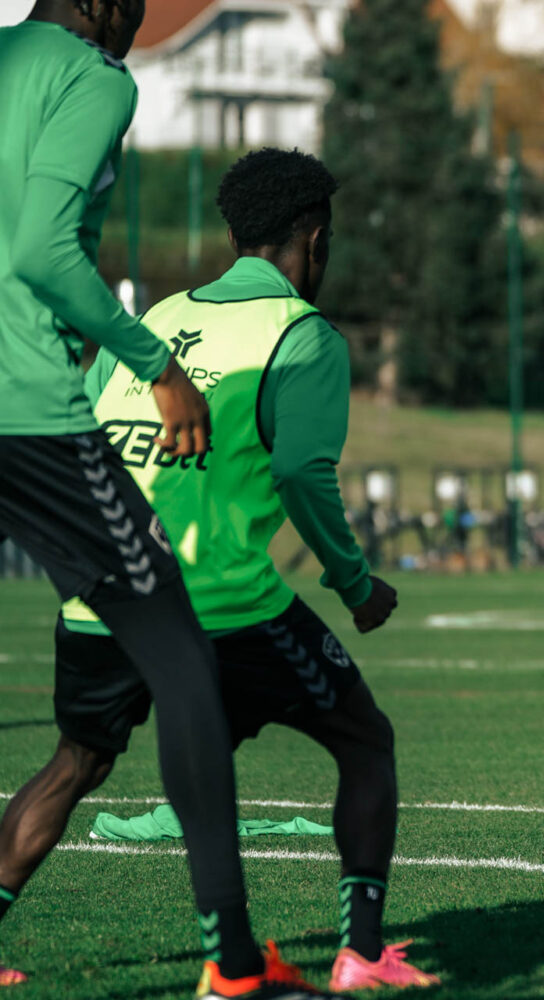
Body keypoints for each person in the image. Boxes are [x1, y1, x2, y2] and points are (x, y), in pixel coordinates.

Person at [11, 147, 438, 992]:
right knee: (364, 740)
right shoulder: (303, 335)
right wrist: (357, 585)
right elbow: (302, 476)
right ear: (313, 239)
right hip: (219, 600)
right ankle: (360, 952)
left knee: (75, 762)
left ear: (236, 232)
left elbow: (96, 430)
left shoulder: (160, 317)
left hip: (106, 593)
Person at [0, 3, 328, 995]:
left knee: (91, 743)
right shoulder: (96, 79)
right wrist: (155, 364)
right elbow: (43, 255)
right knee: (187, 668)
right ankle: (233, 962)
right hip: (25, 415)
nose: (145, 17)